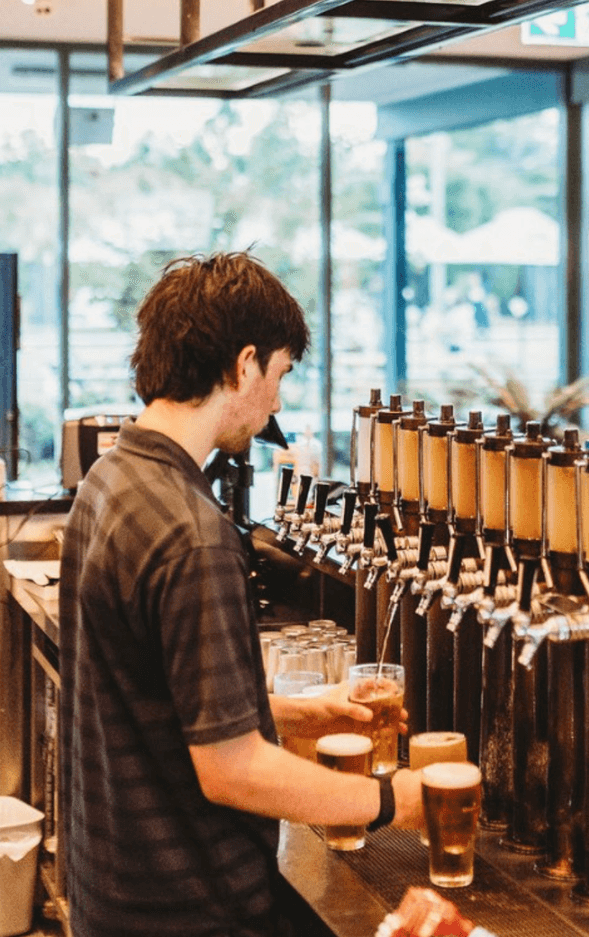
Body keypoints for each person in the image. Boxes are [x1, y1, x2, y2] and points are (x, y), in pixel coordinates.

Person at [59, 252, 423, 937]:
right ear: (244, 362)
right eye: (281, 374)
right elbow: (233, 771)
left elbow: (153, 701)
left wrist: (301, 714)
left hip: (109, 884)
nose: (277, 402)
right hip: (186, 905)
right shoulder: (195, 533)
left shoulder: (111, 479)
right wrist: (389, 800)